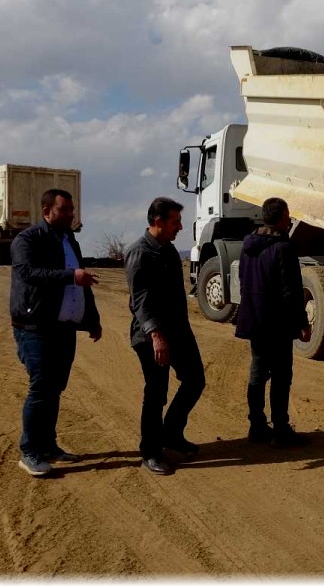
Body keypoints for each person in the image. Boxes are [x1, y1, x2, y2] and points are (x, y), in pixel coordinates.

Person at [9, 189, 102, 477]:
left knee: (54, 389)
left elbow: (81, 280)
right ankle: (30, 451)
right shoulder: (28, 239)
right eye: (64, 210)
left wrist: (92, 319)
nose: (70, 215)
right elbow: (28, 273)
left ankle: (48, 446)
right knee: (41, 388)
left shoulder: (69, 239)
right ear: (47, 211)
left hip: (64, 328)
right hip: (35, 328)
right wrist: (69, 276)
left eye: (72, 210)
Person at [125, 197, 205, 475]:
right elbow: (140, 301)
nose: (180, 227)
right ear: (158, 222)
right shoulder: (140, 253)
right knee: (156, 393)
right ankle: (150, 451)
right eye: (175, 222)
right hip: (152, 336)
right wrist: (156, 335)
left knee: (195, 380)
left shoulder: (169, 251)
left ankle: (171, 433)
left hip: (178, 331)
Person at [234, 197, 312, 447]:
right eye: (288, 215)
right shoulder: (283, 248)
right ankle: (281, 429)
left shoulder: (248, 246)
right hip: (277, 323)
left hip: (255, 320)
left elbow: (242, 278)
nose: (290, 219)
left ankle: (256, 426)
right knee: (281, 377)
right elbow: (291, 290)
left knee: (257, 374)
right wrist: (302, 322)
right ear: (282, 217)